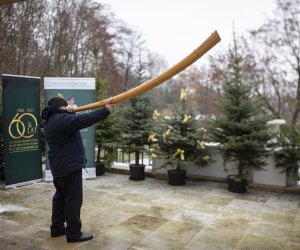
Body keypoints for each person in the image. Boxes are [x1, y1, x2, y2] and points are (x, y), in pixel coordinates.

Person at [41, 96, 116, 243]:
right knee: (73, 200)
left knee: (60, 198)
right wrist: (105, 111)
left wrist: (69, 111)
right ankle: (74, 233)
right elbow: (82, 120)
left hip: (59, 166)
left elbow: (71, 121)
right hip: (69, 166)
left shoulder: (51, 120)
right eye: (65, 106)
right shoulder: (60, 120)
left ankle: (57, 228)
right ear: (61, 107)